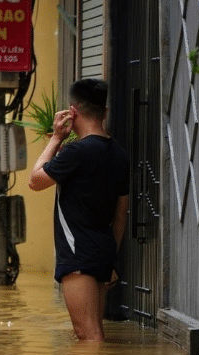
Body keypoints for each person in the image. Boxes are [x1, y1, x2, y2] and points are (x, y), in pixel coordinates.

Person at [28, 78, 129, 341]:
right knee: (95, 332)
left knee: (88, 335)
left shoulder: (75, 152)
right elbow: (120, 214)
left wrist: (56, 138)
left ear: (72, 112)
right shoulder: (118, 153)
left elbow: (34, 181)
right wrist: (110, 257)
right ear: (104, 112)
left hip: (78, 253)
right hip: (103, 249)